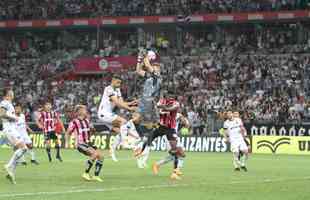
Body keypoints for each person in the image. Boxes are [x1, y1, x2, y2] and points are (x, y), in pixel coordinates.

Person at [97, 75, 137, 162]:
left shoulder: (117, 90)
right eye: (117, 82)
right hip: (104, 113)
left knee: (121, 130)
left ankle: (112, 151)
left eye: (120, 83)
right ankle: (124, 142)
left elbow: (121, 102)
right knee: (124, 122)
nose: (119, 84)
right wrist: (130, 109)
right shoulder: (108, 89)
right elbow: (118, 104)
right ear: (113, 81)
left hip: (109, 114)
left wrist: (130, 103)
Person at [65, 105, 104, 182]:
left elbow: (92, 131)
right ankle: (85, 173)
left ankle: (96, 176)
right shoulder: (74, 122)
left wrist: (93, 130)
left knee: (101, 156)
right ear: (79, 111)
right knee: (95, 154)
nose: (86, 111)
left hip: (88, 142)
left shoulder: (87, 121)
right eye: (84, 110)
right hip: (80, 143)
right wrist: (67, 142)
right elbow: (68, 133)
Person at [0, 89, 27, 184]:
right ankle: (8, 166)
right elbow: (1, 114)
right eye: (11, 92)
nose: (13, 93)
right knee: (24, 148)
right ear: (8, 94)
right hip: (9, 129)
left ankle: (11, 173)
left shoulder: (9, 104)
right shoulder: (4, 102)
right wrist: (14, 118)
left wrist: (13, 118)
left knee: (19, 150)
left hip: (12, 129)